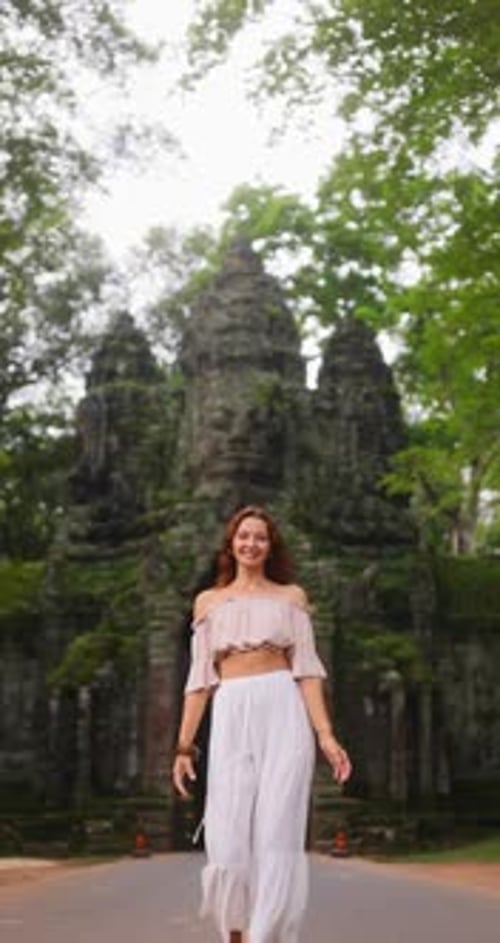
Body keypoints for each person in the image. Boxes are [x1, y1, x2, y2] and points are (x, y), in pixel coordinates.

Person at [173, 505, 352, 943]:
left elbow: (307, 671)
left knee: (278, 831)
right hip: (232, 709)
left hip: (282, 708)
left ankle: (265, 934)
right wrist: (182, 747)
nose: (251, 544)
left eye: (260, 537)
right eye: (244, 536)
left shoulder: (291, 597)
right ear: (231, 544)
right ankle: (234, 930)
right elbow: (199, 682)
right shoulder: (208, 603)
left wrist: (325, 734)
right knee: (227, 836)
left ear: (270, 547)